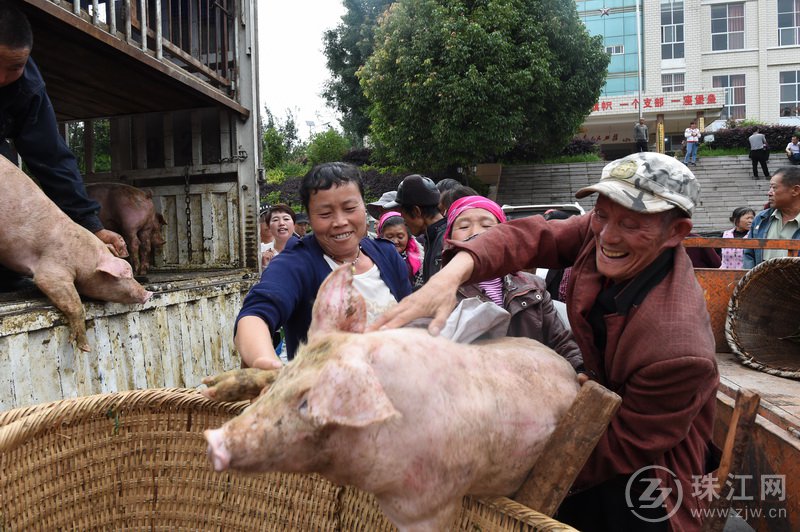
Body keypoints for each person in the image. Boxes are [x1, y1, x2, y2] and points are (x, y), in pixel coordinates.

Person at [371, 152, 719, 531]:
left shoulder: (678, 350)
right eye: (601, 214)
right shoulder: (601, 230)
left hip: (646, 477)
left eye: (631, 224)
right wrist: (449, 276)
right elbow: (528, 236)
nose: (607, 235)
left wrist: (503, 464)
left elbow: (622, 445)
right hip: (590, 417)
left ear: (675, 232)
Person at [235, 162, 412, 369]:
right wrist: (263, 362)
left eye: (349, 208)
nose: (340, 221)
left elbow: (409, 318)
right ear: (309, 218)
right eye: (325, 214)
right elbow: (254, 316)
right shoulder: (295, 264)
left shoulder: (387, 254)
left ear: (364, 207)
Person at [0, 2, 126, 258]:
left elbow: (51, 157)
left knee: (7, 172)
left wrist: (92, 225)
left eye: (14, 67)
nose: (1, 78)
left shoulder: (28, 88)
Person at [446, 195, 583, 370]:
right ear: (449, 238)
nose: (476, 232)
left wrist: (579, 370)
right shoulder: (441, 293)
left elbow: (561, 341)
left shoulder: (534, 287)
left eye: (487, 225)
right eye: (464, 226)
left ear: (505, 236)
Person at [385, 174, 446, 283]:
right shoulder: (432, 236)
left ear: (416, 211)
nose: (404, 222)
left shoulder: (447, 241)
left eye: (403, 216)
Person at [744, 166, 800, 268]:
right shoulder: (761, 219)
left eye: (774, 187)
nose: (769, 193)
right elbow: (749, 255)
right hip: (761, 282)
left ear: (795, 190)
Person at [377, 211, 424, 289]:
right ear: (381, 237)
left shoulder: (419, 259)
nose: (395, 241)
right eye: (389, 236)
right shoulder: (374, 258)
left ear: (408, 237)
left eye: (400, 237)